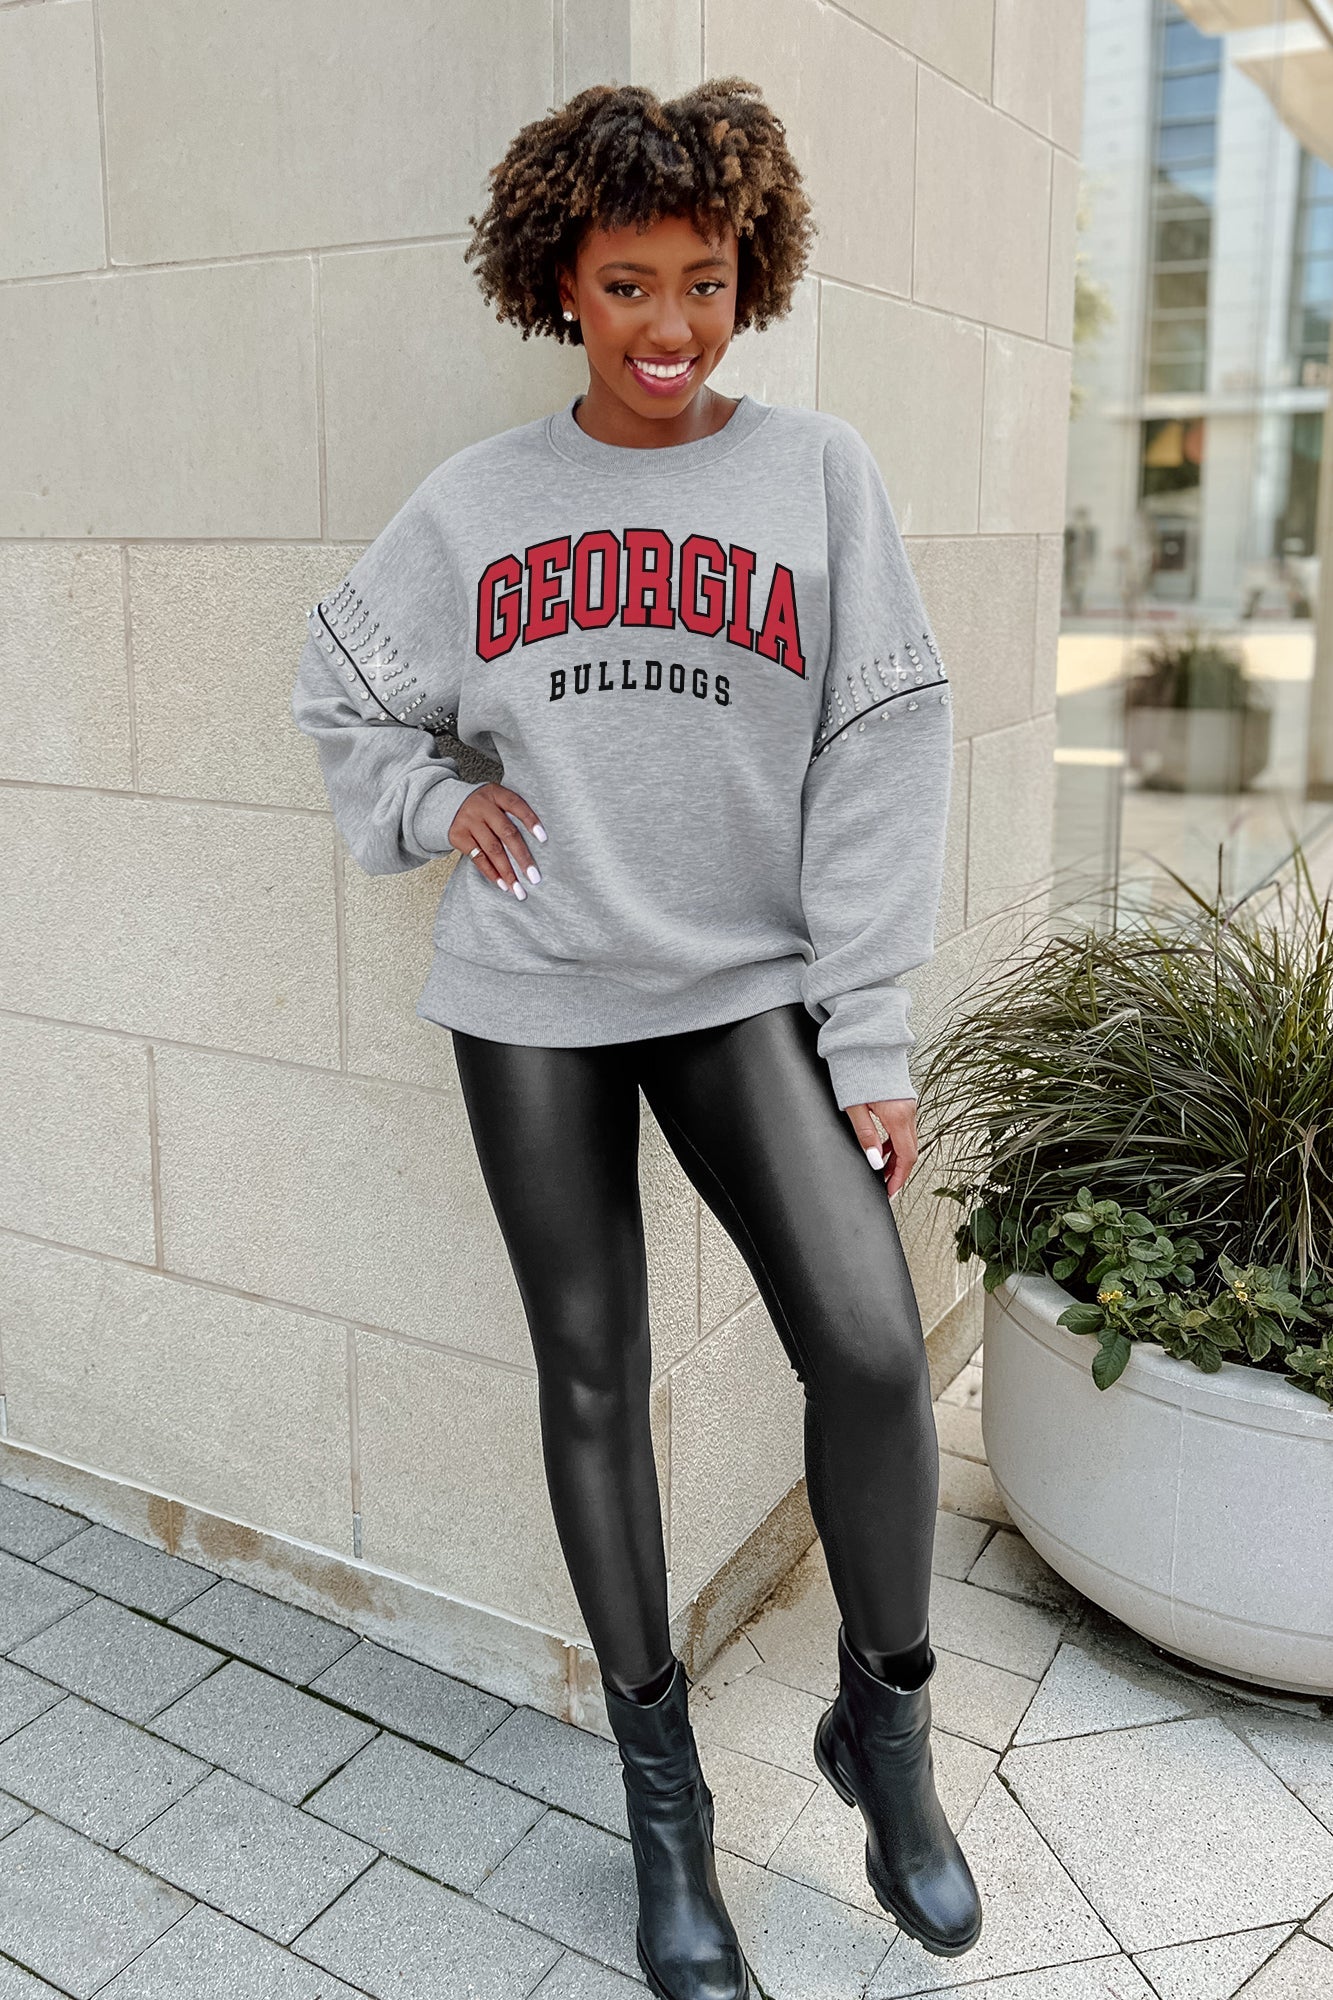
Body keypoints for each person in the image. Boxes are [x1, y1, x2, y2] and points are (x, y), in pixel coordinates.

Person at [291, 75, 981, 1999]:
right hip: (532, 993)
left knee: (870, 1350)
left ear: (750, 274)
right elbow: (342, 689)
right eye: (626, 284)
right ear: (559, 283)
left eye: (705, 280)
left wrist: (868, 1034)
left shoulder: (816, 476)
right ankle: (663, 1814)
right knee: (591, 1375)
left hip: (741, 981)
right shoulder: (476, 506)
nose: (669, 327)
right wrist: (441, 803)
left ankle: (884, 1735)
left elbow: (882, 748)